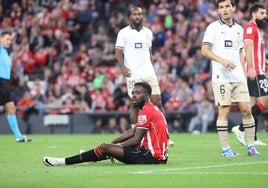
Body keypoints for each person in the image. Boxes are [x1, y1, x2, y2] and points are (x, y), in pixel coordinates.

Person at [43, 82, 169, 166]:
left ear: (147, 95)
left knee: (104, 148)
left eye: (138, 93)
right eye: (133, 93)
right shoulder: (151, 109)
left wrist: (112, 148)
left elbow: (135, 140)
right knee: (108, 148)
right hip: (156, 155)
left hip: (152, 158)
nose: (134, 96)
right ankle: (89, 157)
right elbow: (131, 132)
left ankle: (63, 162)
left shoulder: (147, 111)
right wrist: (113, 145)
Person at [201, 0, 259, 157]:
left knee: (247, 110)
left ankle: (251, 147)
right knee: (224, 111)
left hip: (238, 77)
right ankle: (226, 149)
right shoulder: (213, 28)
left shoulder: (239, 29)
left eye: (227, 6)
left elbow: (240, 53)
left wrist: (242, 71)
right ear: (218, 11)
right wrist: (222, 61)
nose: (224, 10)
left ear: (233, 8)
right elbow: (204, 50)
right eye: (221, 7)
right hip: (221, 77)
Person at [115, 6, 173, 145]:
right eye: (134, 14)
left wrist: (152, 66)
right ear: (130, 17)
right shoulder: (123, 33)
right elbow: (118, 52)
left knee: (157, 101)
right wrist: (123, 67)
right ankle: (134, 134)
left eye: (139, 14)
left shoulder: (148, 32)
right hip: (133, 73)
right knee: (135, 104)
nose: (137, 17)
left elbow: (149, 52)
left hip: (148, 72)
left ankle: (164, 133)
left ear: (142, 16)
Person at [232, 3, 267, 146]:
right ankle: (240, 128)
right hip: (255, 71)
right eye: (262, 13)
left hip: (258, 68)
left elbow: (256, 51)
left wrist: (264, 61)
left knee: (252, 104)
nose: (264, 16)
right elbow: (247, 47)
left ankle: (253, 138)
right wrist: (251, 68)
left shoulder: (256, 29)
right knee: (264, 101)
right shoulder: (250, 27)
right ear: (253, 13)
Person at [0, 31, 32, 142]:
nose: (9, 41)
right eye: (6, 39)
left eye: (10, 40)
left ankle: (19, 137)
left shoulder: (6, 53)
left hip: (5, 84)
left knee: (11, 109)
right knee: (10, 108)